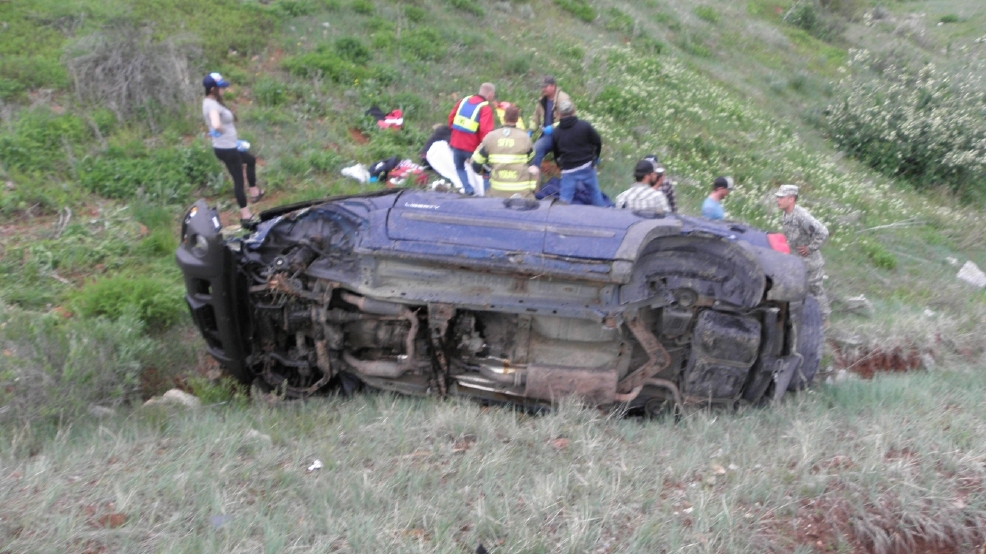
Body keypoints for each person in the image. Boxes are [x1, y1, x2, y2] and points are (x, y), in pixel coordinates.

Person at [202, 72, 264, 227]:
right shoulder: (212, 105)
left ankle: (254, 191)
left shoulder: (211, 102)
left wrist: (231, 139)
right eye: (220, 87)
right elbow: (216, 124)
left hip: (229, 146)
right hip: (227, 149)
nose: (223, 89)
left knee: (250, 160)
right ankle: (245, 215)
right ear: (212, 89)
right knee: (238, 179)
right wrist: (220, 131)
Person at [776, 184, 831, 322]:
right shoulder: (786, 214)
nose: (778, 200)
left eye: (781, 197)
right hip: (796, 262)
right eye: (778, 197)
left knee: (815, 291)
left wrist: (810, 248)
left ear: (791, 199)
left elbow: (823, 232)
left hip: (810, 264)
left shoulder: (802, 216)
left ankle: (824, 321)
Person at [471, 105, 539, 199]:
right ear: (517, 119)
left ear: (504, 118)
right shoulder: (525, 138)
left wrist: (484, 171)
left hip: (496, 193)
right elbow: (530, 161)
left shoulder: (491, 137)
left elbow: (475, 163)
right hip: (521, 194)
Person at [550, 100, 607, 206]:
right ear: (573, 111)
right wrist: (596, 157)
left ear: (559, 114)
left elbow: (556, 153)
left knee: (565, 199)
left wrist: (561, 166)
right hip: (586, 167)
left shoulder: (556, 132)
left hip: (569, 170)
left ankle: (561, 219)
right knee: (594, 193)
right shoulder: (584, 126)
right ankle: (602, 215)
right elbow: (597, 141)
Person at [447, 83, 496, 195]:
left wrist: (454, 134)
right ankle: (487, 197)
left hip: (456, 143)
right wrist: (485, 149)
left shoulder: (463, 101)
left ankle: (468, 190)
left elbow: (451, 118)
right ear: (490, 94)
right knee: (486, 172)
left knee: (459, 168)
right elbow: (486, 132)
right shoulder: (485, 108)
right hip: (472, 148)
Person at [530, 75, 572, 168]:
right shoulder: (542, 99)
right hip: (547, 136)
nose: (543, 89)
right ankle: (534, 178)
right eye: (542, 87)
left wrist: (552, 128)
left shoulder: (564, 99)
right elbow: (536, 115)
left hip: (562, 136)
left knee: (567, 160)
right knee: (535, 150)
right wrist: (530, 131)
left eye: (545, 87)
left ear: (553, 86)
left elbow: (570, 119)